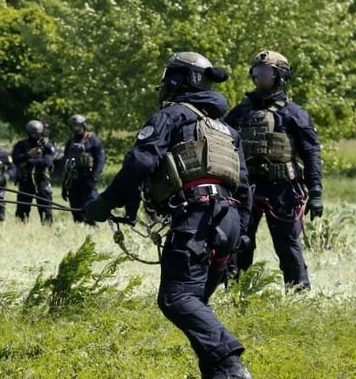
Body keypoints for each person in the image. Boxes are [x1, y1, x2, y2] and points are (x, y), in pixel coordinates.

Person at [84, 52, 254, 379]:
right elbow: (244, 186)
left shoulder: (172, 116)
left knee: (176, 298)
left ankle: (232, 366)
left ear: (182, 79)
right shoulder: (224, 129)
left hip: (197, 219)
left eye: (168, 75)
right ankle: (219, 374)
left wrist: (104, 204)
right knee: (196, 303)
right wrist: (242, 236)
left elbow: (140, 163)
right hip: (228, 221)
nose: (163, 82)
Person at [225, 50, 324, 290]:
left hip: (284, 190)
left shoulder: (294, 114)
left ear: (280, 76)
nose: (260, 78)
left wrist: (316, 191)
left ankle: (298, 292)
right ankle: (237, 294)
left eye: (266, 73)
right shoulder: (239, 113)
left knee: (288, 245)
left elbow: (311, 153)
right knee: (240, 243)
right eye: (256, 72)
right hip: (246, 189)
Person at [61, 114, 105, 224]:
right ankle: (79, 229)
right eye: (73, 126)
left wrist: (93, 178)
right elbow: (67, 163)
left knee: (90, 207)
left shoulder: (93, 140)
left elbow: (100, 161)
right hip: (73, 179)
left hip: (88, 179)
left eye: (77, 126)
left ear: (83, 125)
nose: (75, 128)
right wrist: (64, 184)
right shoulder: (70, 143)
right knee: (75, 209)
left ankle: (92, 228)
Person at [12, 120, 56, 223]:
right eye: (32, 133)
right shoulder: (21, 145)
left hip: (42, 180)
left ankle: (47, 228)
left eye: (36, 133)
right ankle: (20, 229)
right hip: (25, 180)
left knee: (46, 208)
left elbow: (47, 162)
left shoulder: (47, 145)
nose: (34, 135)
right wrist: (29, 154)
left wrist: (28, 162)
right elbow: (16, 159)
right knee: (22, 210)